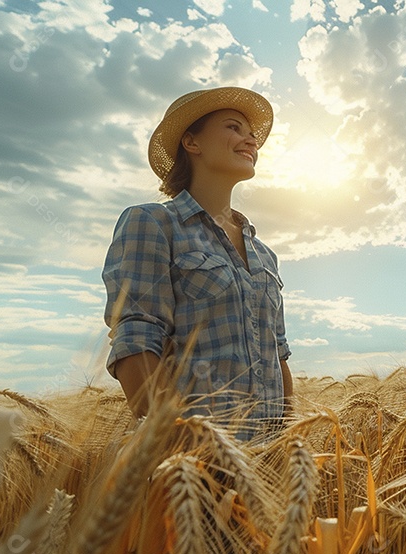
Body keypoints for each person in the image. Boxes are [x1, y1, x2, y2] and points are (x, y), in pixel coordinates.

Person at [102, 86, 293, 442]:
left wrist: (286, 446)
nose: (250, 140)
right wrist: (180, 445)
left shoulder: (264, 254)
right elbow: (136, 340)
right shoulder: (154, 223)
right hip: (193, 463)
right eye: (234, 127)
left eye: (252, 135)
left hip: (269, 460)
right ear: (192, 142)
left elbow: (278, 353)